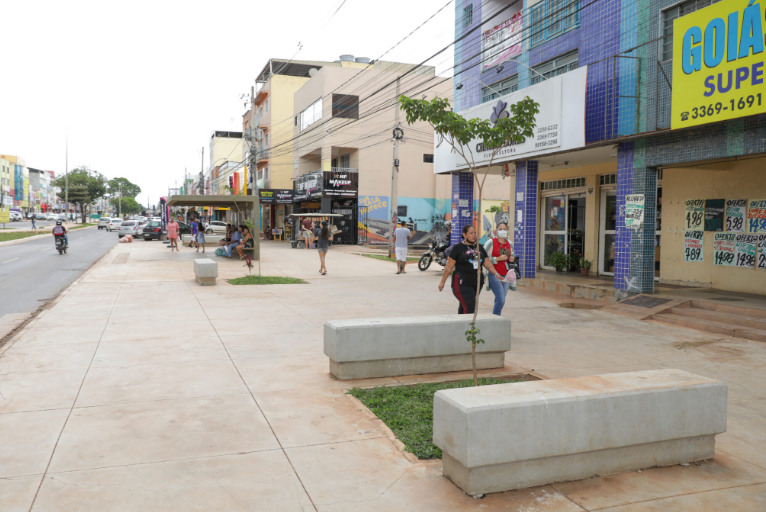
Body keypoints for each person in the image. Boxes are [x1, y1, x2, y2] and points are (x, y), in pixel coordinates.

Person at [438, 225, 501, 315]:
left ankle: (461, 327)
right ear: (464, 235)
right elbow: (449, 267)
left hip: (476, 282)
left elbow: (487, 263)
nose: (474, 235)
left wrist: (496, 274)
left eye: (475, 233)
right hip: (461, 282)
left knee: (465, 306)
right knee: (470, 307)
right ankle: (470, 328)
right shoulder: (457, 248)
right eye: (471, 233)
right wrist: (442, 282)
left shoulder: (479, 247)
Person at [483, 222, 516, 316]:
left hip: (506, 275)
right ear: (496, 230)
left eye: (504, 229)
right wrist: (496, 259)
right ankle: (496, 318)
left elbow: (512, 255)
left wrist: (512, 258)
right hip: (494, 274)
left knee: (500, 298)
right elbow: (482, 257)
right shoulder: (490, 242)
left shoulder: (510, 243)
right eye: (500, 229)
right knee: (501, 299)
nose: (502, 231)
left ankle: (495, 316)